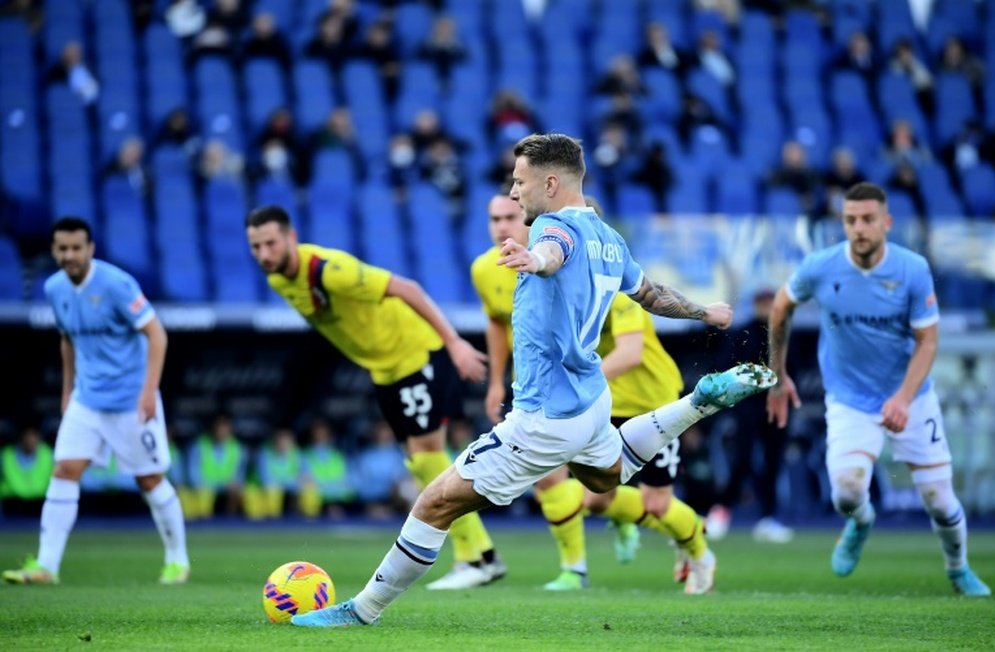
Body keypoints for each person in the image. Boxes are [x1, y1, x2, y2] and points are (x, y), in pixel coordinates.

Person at [291, 133, 775, 628]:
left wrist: (536, 260)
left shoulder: (552, 227)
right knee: (605, 476)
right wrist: (704, 311)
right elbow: (651, 293)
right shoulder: (610, 238)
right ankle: (696, 402)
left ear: (550, 181)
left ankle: (363, 610)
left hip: (545, 414)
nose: (514, 191)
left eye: (520, 181)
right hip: (591, 401)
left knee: (436, 502)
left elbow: (554, 250)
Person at [470, 189, 717, 593]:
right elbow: (501, 323)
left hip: (646, 395)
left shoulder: (606, 272)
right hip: (593, 398)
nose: (501, 227)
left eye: (508, 217)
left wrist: (575, 376)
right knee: (592, 495)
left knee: (653, 503)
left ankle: (698, 548)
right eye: (493, 219)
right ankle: (577, 568)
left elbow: (632, 352)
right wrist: (501, 379)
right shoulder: (492, 269)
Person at [245, 205, 505, 587]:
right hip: (386, 369)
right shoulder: (278, 281)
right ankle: (476, 556)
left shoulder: (329, 270)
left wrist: (454, 344)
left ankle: (480, 557)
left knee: (427, 454)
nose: (264, 254)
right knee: (420, 462)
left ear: (290, 237)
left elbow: (408, 289)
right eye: (256, 246)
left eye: (270, 243)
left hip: (417, 352)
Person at [766, 182, 991, 597]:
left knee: (940, 502)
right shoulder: (822, 266)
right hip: (849, 397)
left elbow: (928, 341)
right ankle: (861, 521)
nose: (859, 229)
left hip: (910, 395)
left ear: (886, 222)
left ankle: (959, 570)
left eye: (868, 220)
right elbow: (781, 306)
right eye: (850, 220)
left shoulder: (912, 270)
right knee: (846, 493)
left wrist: (904, 398)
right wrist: (778, 374)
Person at [3, 217, 189, 585]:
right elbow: (67, 340)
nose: (69, 255)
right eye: (62, 249)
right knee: (64, 470)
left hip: (130, 400)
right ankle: (46, 566)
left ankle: (177, 560)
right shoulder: (54, 288)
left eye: (76, 248)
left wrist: (149, 391)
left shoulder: (117, 285)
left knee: (150, 479)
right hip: (87, 400)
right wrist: (68, 392)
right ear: (54, 250)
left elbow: (157, 334)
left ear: (91, 249)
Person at [705, 290, 795, 544]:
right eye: (762, 303)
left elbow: (792, 371)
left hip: (777, 407)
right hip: (747, 406)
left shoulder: (783, 334)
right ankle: (721, 511)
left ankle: (769, 518)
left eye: (770, 303)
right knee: (742, 459)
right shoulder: (741, 332)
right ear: (755, 304)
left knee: (773, 462)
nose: (766, 308)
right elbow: (727, 368)